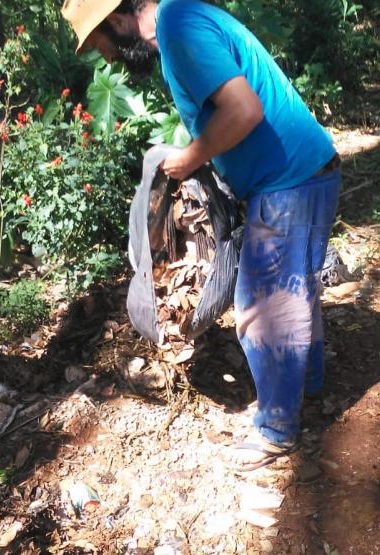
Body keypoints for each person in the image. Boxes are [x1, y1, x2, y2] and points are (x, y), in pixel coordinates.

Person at [61, 0, 341, 471]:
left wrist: (191, 156)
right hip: (305, 172)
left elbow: (243, 110)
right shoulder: (183, 18)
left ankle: (277, 430)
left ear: (117, 19)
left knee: (262, 307)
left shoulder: (177, 25)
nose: (105, 58)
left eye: (100, 45)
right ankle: (307, 388)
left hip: (289, 181)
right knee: (296, 293)